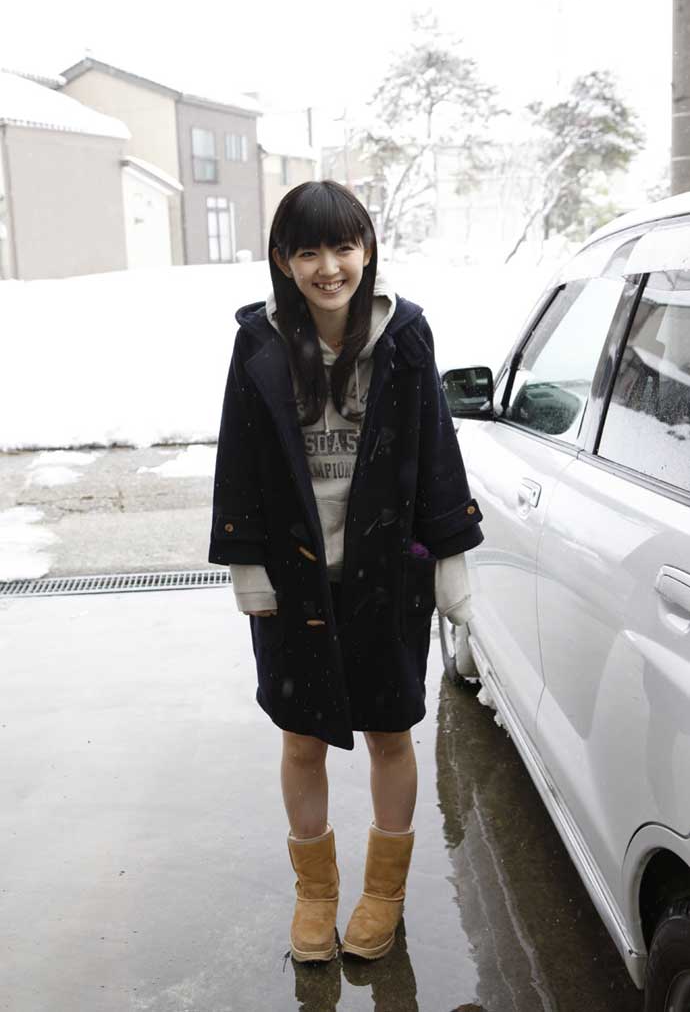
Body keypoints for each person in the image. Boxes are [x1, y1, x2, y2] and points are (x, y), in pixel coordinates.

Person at [208, 180, 484, 964]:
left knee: (391, 733)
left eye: (343, 247)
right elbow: (239, 456)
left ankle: (383, 893)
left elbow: (436, 445)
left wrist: (453, 560)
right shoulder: (260, 344)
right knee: (302, 740)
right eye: (308, 251)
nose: (329, 267)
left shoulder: (404, 334)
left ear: (367, 250)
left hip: (386, 578)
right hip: (296, 584)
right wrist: (246, 566)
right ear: (282, 260)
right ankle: (316, 892)